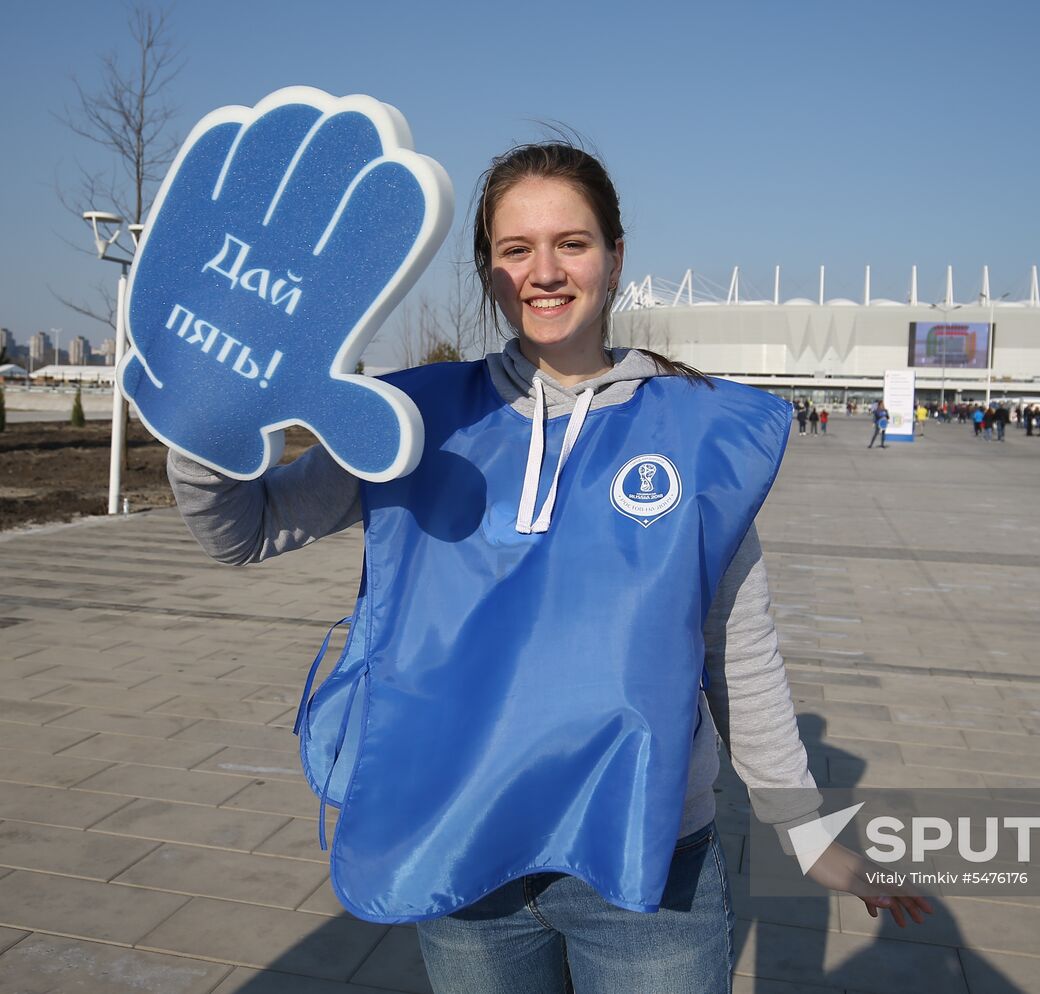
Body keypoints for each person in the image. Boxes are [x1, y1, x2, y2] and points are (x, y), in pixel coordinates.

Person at [164, 141, 928, 994]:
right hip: (461, 852)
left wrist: (805, 829)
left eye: (572, 242)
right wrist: (203, 420)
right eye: (515, 249)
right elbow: (244, 530)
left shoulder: (701, 434)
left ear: (616, 257)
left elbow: (735, 651)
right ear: (488, 270)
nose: (545, 271)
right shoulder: (412, 419)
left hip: (647, 866)